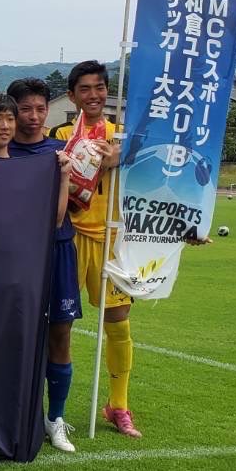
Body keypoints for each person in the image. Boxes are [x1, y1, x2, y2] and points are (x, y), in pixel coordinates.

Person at [51, 60, 139, 437]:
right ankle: (51, 410)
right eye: (84, 89)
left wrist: (123, 156)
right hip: (70, 238)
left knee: (118, 323)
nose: (93, 95)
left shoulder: (123, 137)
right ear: (72, 96)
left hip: (112, 241)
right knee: (60, 325)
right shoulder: (59, 135)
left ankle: (118, 405)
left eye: (99, 87)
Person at [6, 78, 79, 452]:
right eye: (25, 109)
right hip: (16, 252)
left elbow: (82, 194)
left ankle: (56, 418)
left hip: (58, 247)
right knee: (12, 334)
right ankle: (17, 415)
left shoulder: (60, 151)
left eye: (40, 109)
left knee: (60, 333)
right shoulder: (0, 149)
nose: (33, 116)